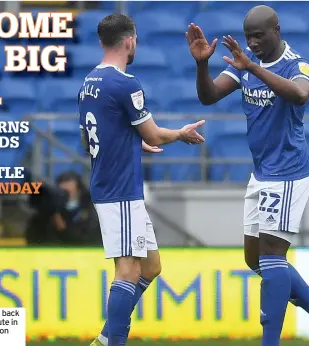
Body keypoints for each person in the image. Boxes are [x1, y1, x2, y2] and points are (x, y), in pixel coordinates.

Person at [187, 5, 309, 346]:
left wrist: (252, 68)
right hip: (262, 172)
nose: (253, 42)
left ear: (277, 30)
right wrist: (202, 63)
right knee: (255, 258)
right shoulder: (246, 59)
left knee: (273, 255)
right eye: (249, 37)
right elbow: (209, 96)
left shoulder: (296, 64)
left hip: (289, 171)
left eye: (259, 36)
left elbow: (300, 93)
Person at [79, 13, 206, 346]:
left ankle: (108, 335)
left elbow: (88, 139)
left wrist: (130, 140)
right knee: (128, 271)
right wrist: (179, 133)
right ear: (129, 40)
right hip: (119, 188)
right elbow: (152, 133)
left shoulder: (89, 83)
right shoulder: (125, 83)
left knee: (151, 266)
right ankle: (114, 340)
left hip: (110, 184)